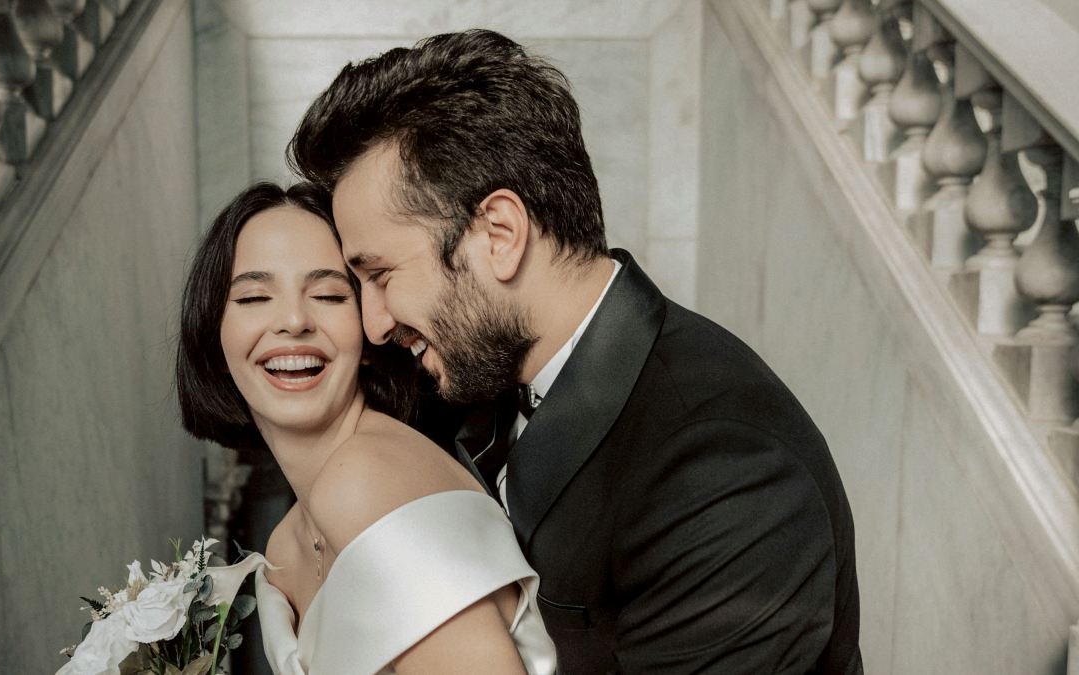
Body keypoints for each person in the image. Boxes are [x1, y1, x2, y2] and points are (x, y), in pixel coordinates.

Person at [287, 29, 862, 674]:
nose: (374, 324)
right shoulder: (482, 369)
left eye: (382, 274)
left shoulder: (724, 474)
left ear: (499, 235)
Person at [175, 182, 557, 675]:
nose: (293, 320)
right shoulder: (284, 546)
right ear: (214, 337)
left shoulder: (365, 478)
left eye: (329, 295)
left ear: (372, 331)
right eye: (253, 297)